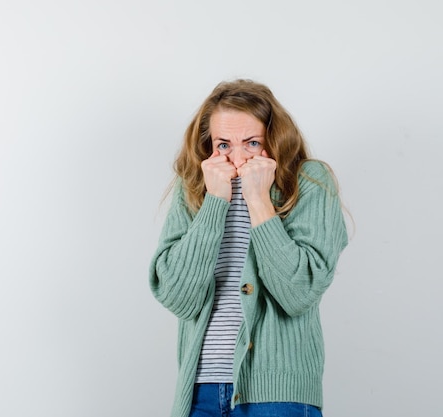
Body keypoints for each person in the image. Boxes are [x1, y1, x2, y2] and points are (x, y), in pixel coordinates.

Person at [149, 79, 348, 417]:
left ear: (274, 138)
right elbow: (176, 296)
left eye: (252, 143)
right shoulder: (195, 187)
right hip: (200, 392)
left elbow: (298, 292)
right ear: (208, 143)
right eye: (223, 145)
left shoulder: (309, 182)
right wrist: (215, 201)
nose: (237, 158)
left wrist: (257, 199)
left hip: (277, 394)